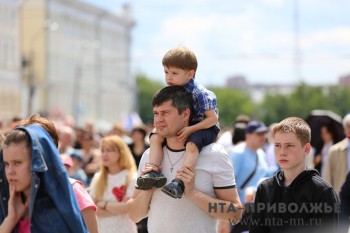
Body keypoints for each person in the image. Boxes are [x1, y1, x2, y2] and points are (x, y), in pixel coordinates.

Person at [127, 86, 243, 233]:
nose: (158, 119)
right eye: (156, 113)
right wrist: (147, 190)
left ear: (185, 114)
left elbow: (236, 213)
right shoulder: (150, 156)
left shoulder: (214, 154)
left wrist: (193, 193)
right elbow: (134, 215)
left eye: (165, 113)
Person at [137, 46, 220, 199]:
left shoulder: (200, 93)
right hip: (187, 125)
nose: (169, 77)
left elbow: (213, 119)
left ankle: (180, 181)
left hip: (204, 126)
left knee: (191, 145)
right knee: (155, 136)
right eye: (166, 72)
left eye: (174, 73)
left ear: (190, 74)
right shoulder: (173, 91)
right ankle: (153, 171)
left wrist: (191, 130)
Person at [250, 117, 339, 233]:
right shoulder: (265, 188)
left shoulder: (322, 192)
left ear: (306, 149)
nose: (282, 152)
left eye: (290, 145)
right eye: (277, 145)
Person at [0, 115, 87, 232]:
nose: (10, 171)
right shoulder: (7, 205)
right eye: (6, 164)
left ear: (37, 162)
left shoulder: (64, 205)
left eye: (17, 163)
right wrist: (11, 219)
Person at [89, 135, 137, 233]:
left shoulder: (131, 177)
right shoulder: (97, 178)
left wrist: (103, 204)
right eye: (103, 151)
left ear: (121, 153)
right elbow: (92, 209)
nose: (104, 154)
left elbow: (129, 208)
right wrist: (119, 208)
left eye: (109, 150)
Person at [230, 120, 276, 204]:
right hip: (242, 207)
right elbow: (229, 181)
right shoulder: (238, 152)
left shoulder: (261, 153)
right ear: (248, 135)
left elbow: (265, 175)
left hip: (259, 206)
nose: (263, 137)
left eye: (264, 133)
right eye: (259, 134)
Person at [324, 113, 350, 196]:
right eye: (348, 126)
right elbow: (327, 177)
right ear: (345, 129)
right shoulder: (334, 151)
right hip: (340, 199)